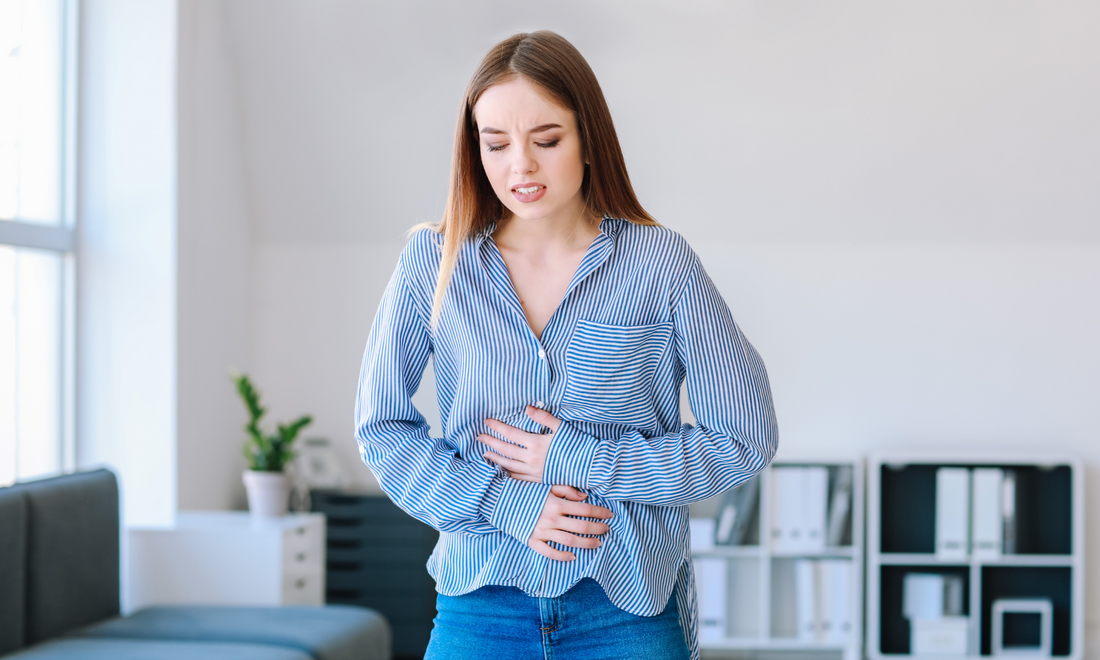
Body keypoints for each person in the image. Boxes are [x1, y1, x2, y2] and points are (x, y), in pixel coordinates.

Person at [355, 30, 778, 660]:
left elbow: (747, 438)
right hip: (482, 609)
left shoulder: (660, 264)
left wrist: (579, 459)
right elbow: (379, 430)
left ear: (589, 141)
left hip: (626, 615)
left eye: (546, 140)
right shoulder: (432, 262)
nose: (519, 165)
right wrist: (507, 503)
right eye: (495, 144)